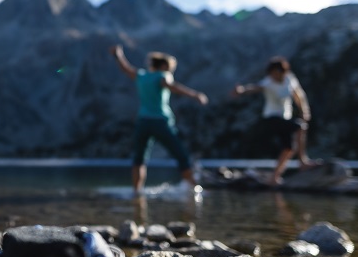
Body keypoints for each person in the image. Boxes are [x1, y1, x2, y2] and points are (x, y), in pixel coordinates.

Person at [110, 44, 208, 194]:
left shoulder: (142, 76)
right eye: (170, 67)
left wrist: (118, 55)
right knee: (181, 155)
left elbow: (126, 68)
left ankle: (137, 192)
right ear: (163, 66)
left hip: (142, 122)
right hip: (160, 121)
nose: (171, 71)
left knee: (139, 159)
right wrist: (195, 95)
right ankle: (194, 189)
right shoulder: (162, 75)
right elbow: (172, 86)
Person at [232, 56, 312, 185]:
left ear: (282, 71)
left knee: (288, 148)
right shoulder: (268, 82)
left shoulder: (289, 79)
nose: (273, 76)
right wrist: (241, 90)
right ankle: (303, 161)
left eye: (275, 73)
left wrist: (304, 111)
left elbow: (298, 95)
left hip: (284, 118)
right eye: (271, 73)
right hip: (272, 118)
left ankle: (275, 177)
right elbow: (255, 87)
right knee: (300, 126)